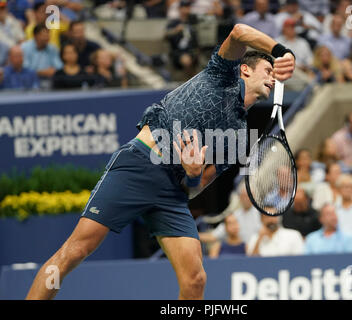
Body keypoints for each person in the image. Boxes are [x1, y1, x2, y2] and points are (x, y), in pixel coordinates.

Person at [25, 22, 296, 300]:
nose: (274, 77)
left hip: (171, 193)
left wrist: (192, 174)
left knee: (195, 280)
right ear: (245, 69)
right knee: (75, 251)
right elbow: (239, 31)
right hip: (139, 166)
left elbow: (194, 187)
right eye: (268, 69)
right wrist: (281, 50)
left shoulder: (239, 135)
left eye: (276, 73)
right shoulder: (221, 74)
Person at [21, 23, 63, 88]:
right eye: (43, 35)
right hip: (30, 81)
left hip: (50, 81)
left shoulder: (53, 48)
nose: (47, 37)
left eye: (48, 34)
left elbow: (59, 66)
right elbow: (24, 68)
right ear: (35, 36)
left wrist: (54, 71)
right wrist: (40, 72)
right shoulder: (25, 48)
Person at [164, 0, 199, 79]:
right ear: (179, 9)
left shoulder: (193, 22)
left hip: (192, 51)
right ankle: (192, 81)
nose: (186, 10)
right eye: (184, 7)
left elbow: (197, 40)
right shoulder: (174, 23)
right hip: (178, 52)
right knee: (186, 60)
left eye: (188, 7)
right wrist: (175, 30)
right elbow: (165, 35)